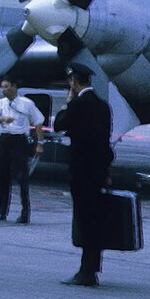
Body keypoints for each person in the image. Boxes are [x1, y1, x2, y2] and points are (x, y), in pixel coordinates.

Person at [53, 65, 114, 287]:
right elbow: (104, 143)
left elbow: (58, 124)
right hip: (98, 171)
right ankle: (92, 267)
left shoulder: (77, 104)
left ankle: (85, 271)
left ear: (73, 82)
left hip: (81, 171)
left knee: (84, 219)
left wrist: (68, 101)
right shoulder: (103, 106)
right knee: (95, 220)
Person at [0, 74, 45, 224]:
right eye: (2, 87)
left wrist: (40, 143)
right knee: (2, 176)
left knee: (22, 178)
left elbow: (38, 122)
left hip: (19, 140)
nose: (4, 90)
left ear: (14, 87)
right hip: (5, 139)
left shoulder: (26, 103)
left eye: (6, 87)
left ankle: (25, 212)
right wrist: (3, 119)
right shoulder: (0, 103)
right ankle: (2, 211)